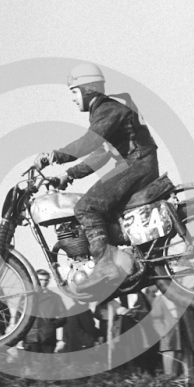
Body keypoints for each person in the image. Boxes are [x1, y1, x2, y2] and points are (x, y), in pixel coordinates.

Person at [36, 62, 159, 292]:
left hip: (137, 164)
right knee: (103, 210)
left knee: (86, 207)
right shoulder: (106, 112)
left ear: (88, 89)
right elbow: (101, 154)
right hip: (137, 163)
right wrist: (67, 175)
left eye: (74, 91)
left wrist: (56, 156)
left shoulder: (107, 109)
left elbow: (89, 142)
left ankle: (104, 265)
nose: (73, 98)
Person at [24, 270, 66, 353]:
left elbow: (64, 316)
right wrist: (20, 339)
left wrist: (51, 326)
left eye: (46, 280)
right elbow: (20, 318)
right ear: (35, 280)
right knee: (32, 365)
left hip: (48, 338)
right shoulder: (27, 297)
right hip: (31, 338)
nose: (43, 282)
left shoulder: (55, 297)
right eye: (41, 280)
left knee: (47, 365)